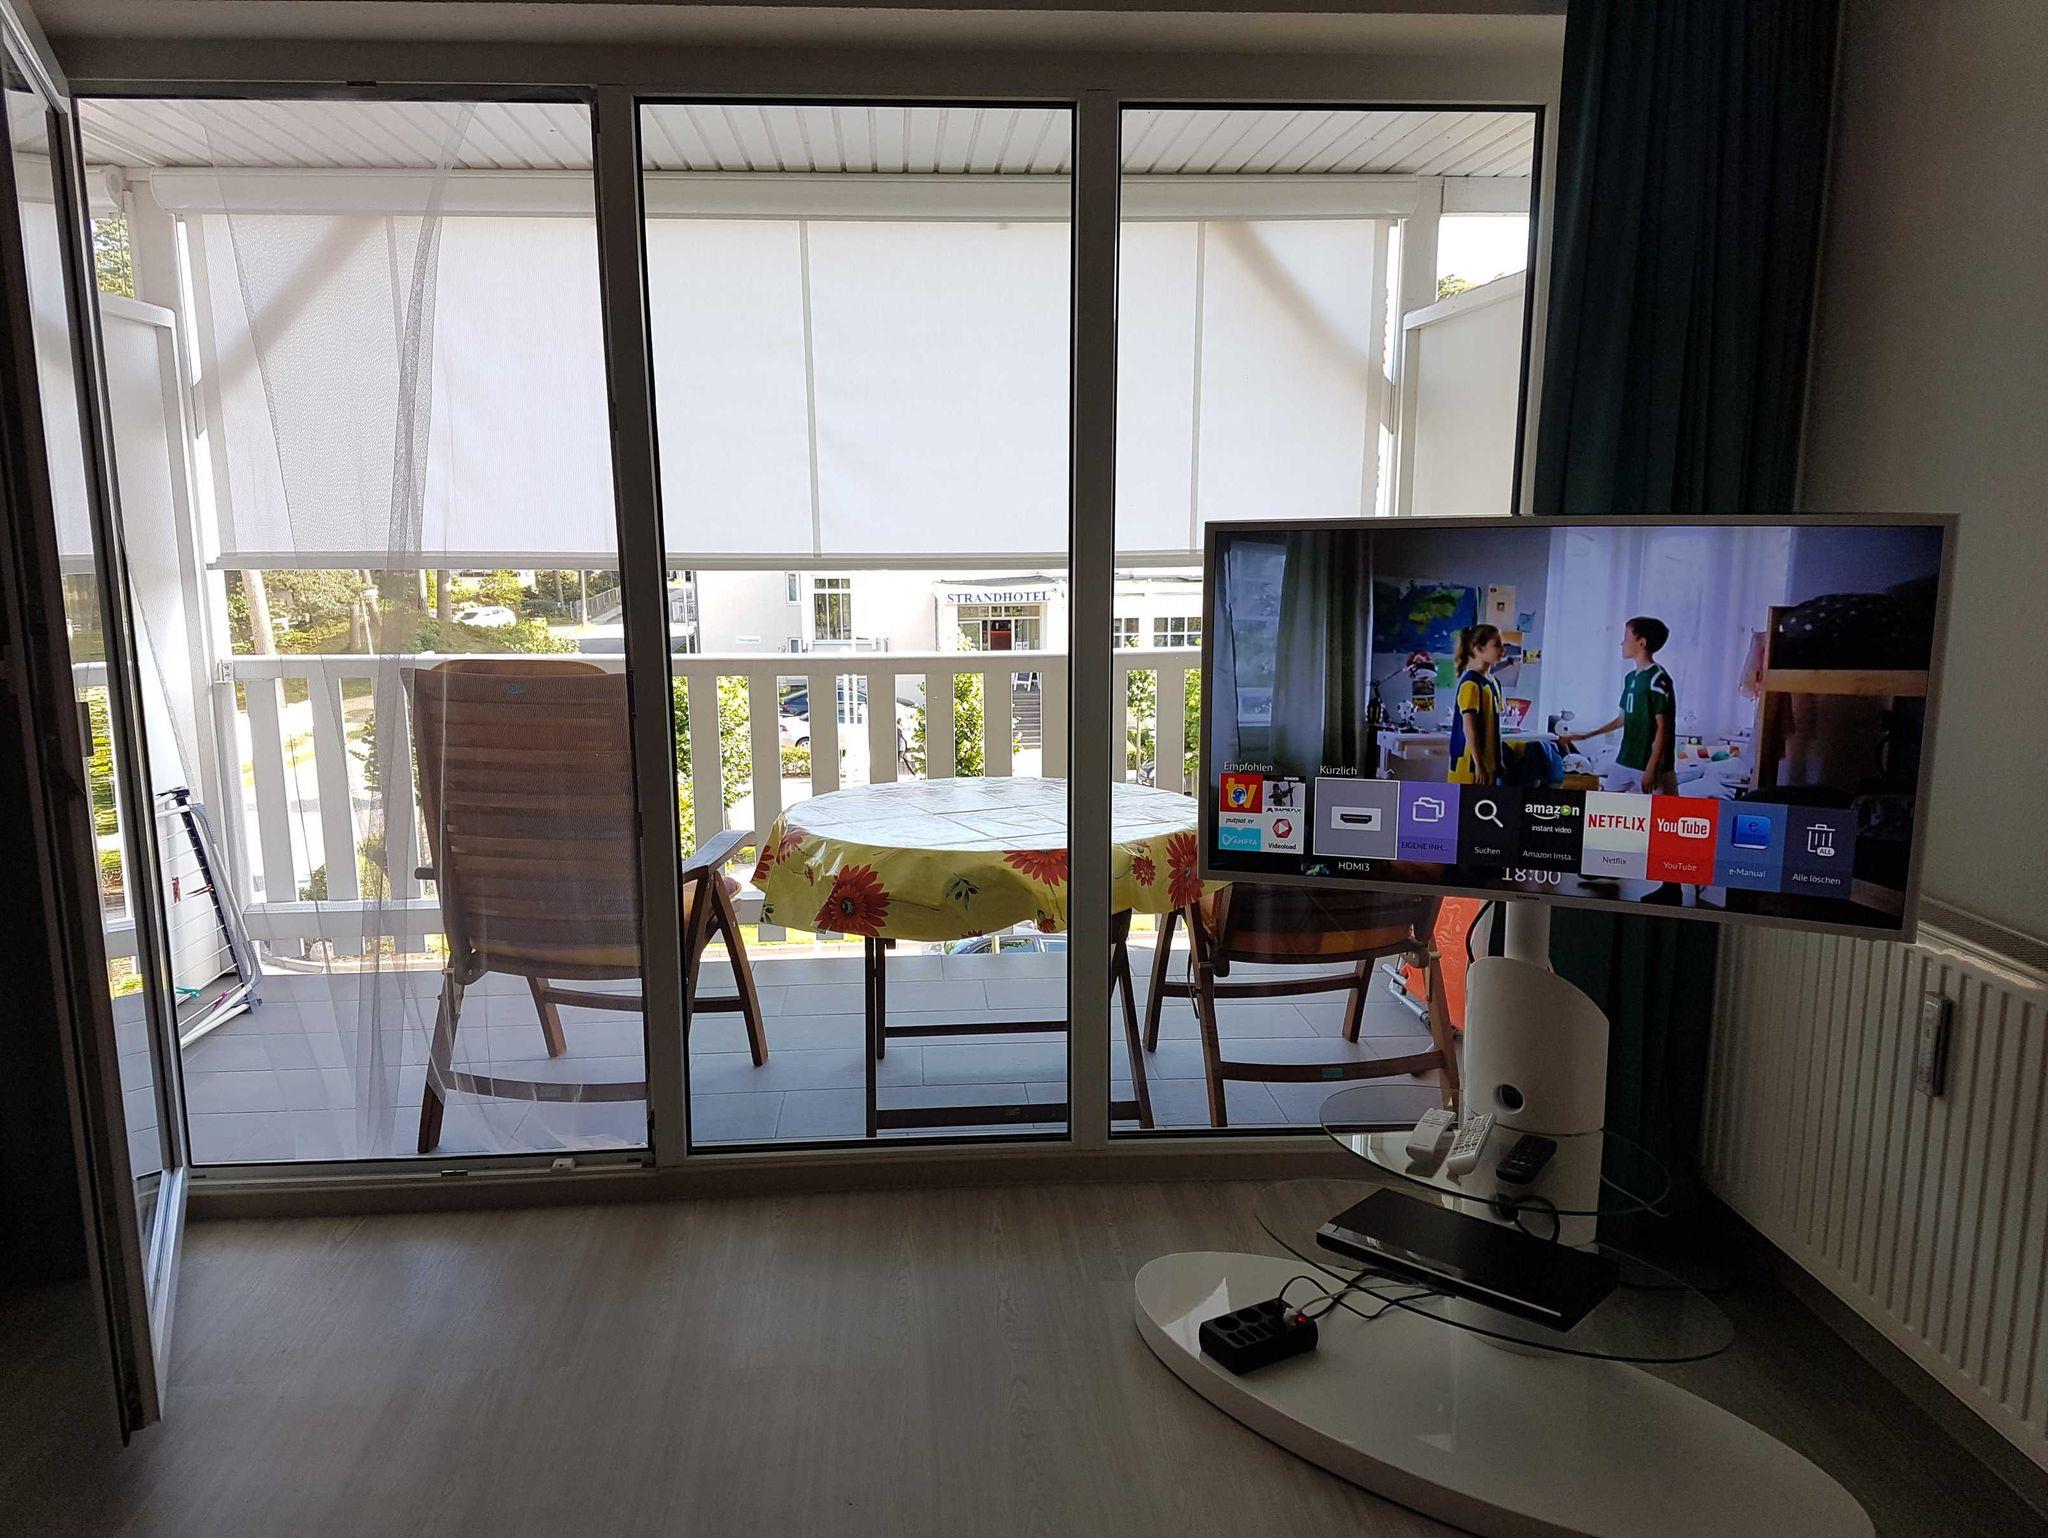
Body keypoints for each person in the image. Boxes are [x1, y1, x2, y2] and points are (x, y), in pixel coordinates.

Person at [1558, 615, 1678, 794]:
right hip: (1626, 760)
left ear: (1641, 643)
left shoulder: (1657, 679)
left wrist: (1651, 768)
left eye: (1626, 639)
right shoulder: (1631, 678)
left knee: (1663, 810)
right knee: (1605, 803)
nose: (1622, 643)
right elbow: (1621, 720)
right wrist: (1585, 736)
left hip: (1649, 765)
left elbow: (1663, 729)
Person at [1446, 624, 1505, 785]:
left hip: (1489, 762)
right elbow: (1469, 727)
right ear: (1479, 649)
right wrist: (1478, 764)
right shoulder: (1471, 683)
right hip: (1469, 764)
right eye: (1497, 645)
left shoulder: (1494, 682)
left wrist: (1496, 761)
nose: (1502, 650)